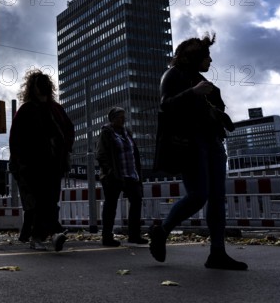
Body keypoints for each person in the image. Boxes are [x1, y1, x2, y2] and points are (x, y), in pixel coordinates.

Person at [150, 32, 247, 271]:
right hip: (190, 144)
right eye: (207, 56)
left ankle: (217, 253)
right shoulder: (172, 75)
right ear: (193, 57)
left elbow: (217, 108)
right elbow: (165, 106)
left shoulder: (208, 85)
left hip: (213, 143)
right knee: (198, 194)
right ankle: (162, 231)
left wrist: (217, 112)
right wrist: (193, 93)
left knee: (216, 198)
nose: (210, 61)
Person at [9, 69, 74, 251]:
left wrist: (65, 149)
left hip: (54, 164)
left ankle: (47, 234)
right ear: (34, 87)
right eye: (40, 83)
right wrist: (20, 163)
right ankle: (44, 235)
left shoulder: (56, 109)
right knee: (39, 202)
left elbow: (69, 130)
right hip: (33, 165)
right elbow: (16, 139)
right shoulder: (27, 110)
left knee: (50, 200)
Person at [95, 107, 148, 247]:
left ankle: (134, 235)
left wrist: (138, 172)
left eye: (124, 117)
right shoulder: (106, 133)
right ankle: (107, 237)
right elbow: (101, 155)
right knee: (111, 205)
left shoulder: (127, 133)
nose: (123, 119)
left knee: (136, 201)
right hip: (114, 176)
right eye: (120, 117)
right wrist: (110, 171)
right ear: (112, 119)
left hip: (131, 174)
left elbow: (134, 154)